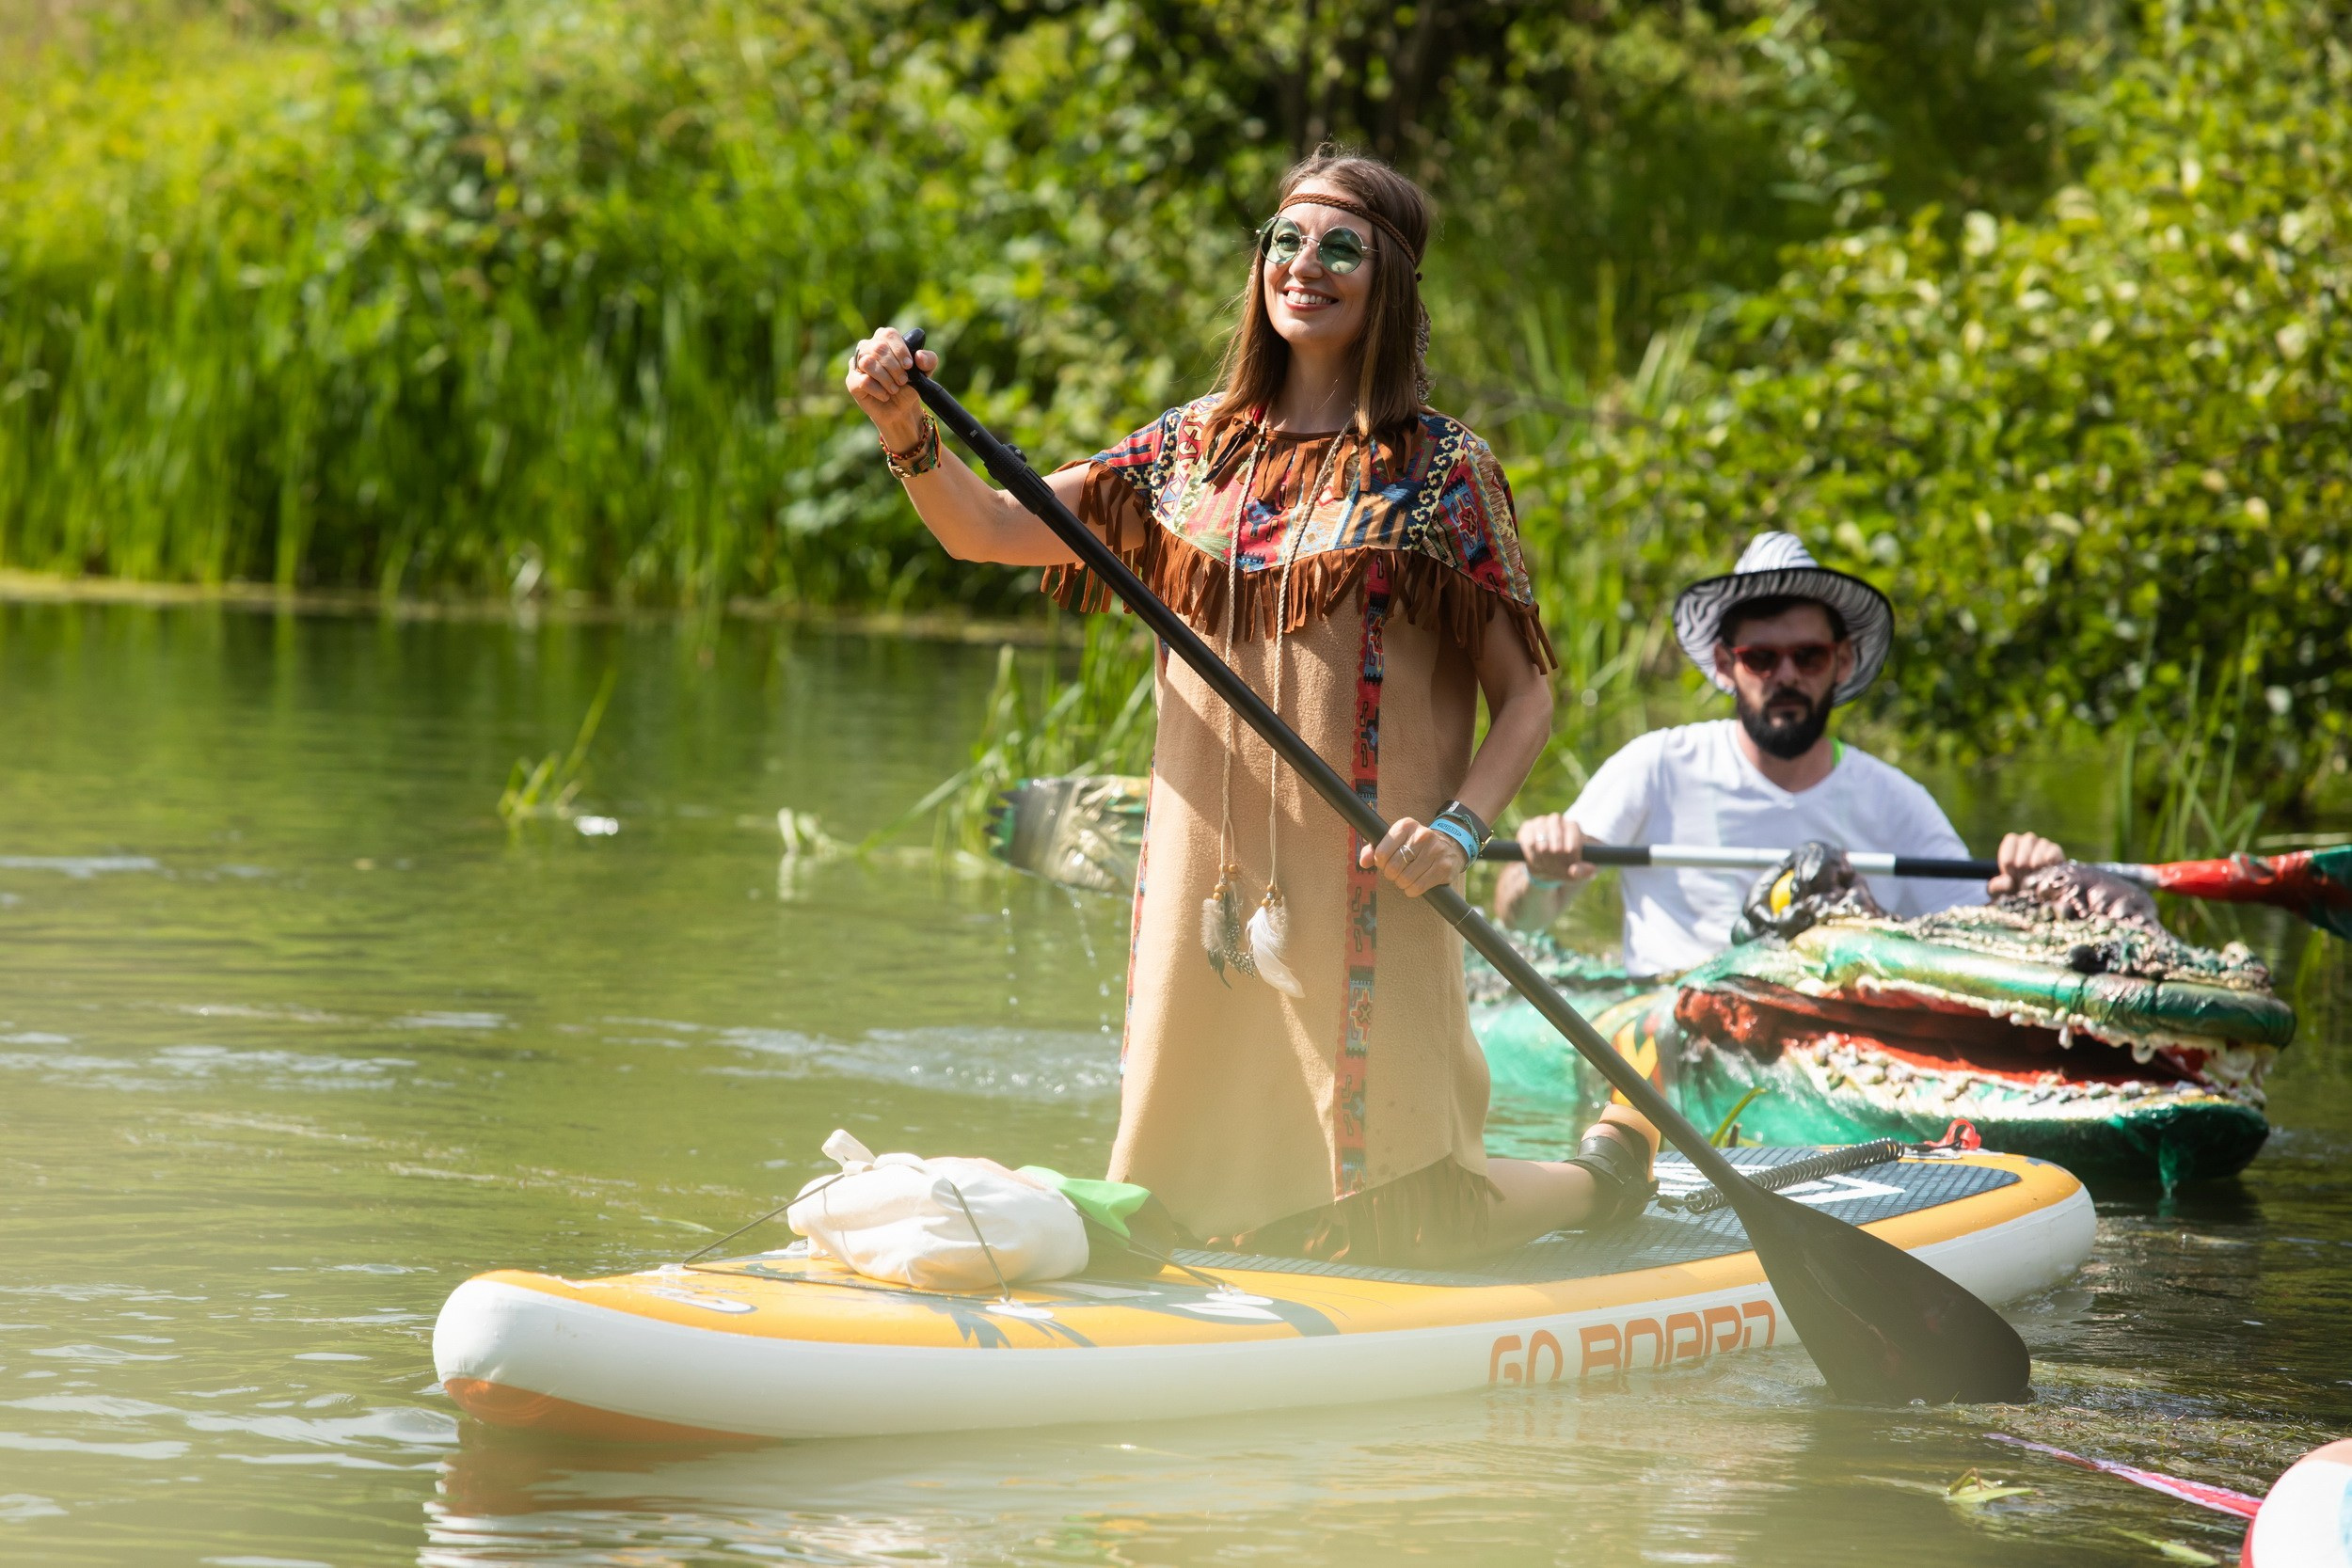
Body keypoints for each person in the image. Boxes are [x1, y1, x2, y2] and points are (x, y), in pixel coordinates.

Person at [845, 151, 1656, 1265]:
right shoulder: (1189, 449)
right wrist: (902, 426)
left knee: (1400, 1216)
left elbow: (1528, 695)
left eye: (1339, 247)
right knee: (1189, 1183)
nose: (1303, 266)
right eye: (1283, 240)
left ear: (1391, 282)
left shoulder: (1441, 469)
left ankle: (1596, 1180)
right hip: (1204, 871)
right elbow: (986, 527)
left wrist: (1463, 828)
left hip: (1378, 872)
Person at [1497, 532, 2065, 977]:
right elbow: (1517, 917)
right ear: (1726, 665)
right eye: (1762, 659)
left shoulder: (1896, 800)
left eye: (1809, 657)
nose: (1786, 676)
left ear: (1841, 662)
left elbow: (1983, 933)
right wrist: (1542, 873)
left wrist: (2026, 886)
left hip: (1830, 1041)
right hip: (1665, 1024)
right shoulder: (1658, 766)